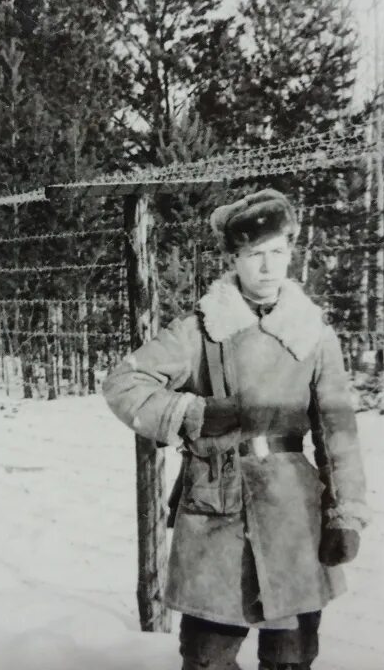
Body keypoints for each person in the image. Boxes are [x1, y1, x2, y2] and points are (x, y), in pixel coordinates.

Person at [102, 189, 369, 670]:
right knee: (207, 656)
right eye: (253, 255)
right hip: (216, 506)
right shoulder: (202, 328)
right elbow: (123, 383)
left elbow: (338, 433)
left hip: (292, 513)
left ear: (291, 252)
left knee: (291, 656)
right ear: (234, 258)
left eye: (277, 253)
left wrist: (345, 515)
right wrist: (192, 413)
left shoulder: (314, 334)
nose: (267, 267)